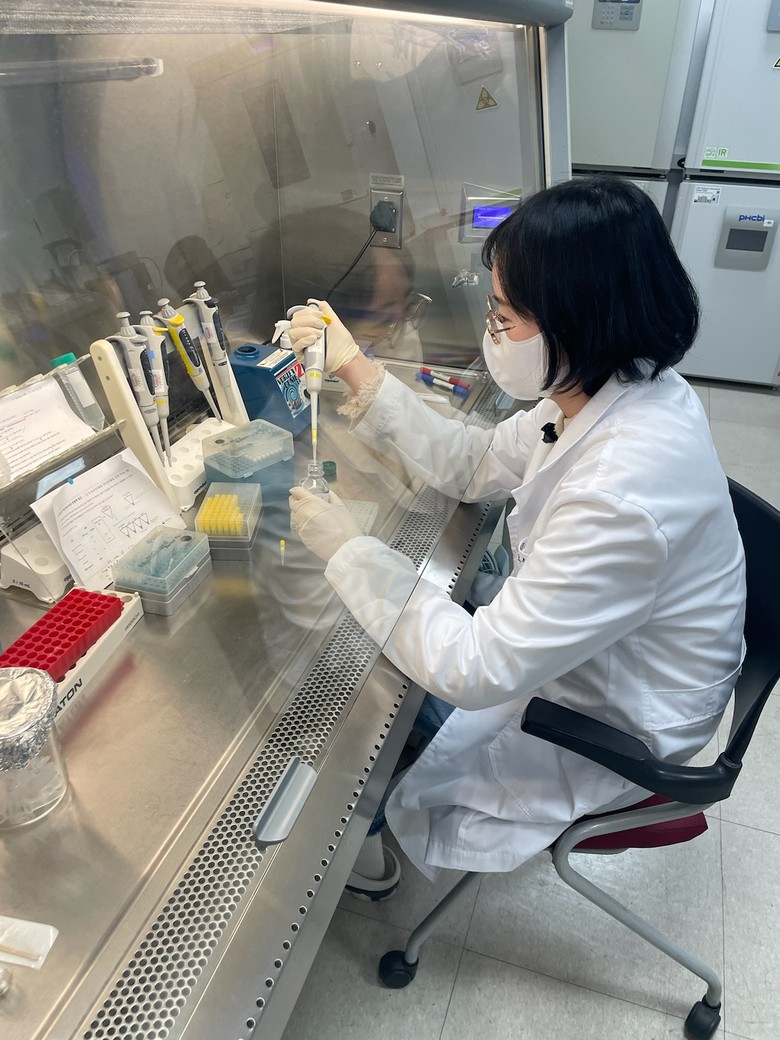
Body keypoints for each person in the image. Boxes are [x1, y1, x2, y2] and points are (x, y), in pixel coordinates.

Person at [286, 175, 746, 897]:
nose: (492, 332)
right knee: (405, 627)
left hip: (613, 725)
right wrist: (354, 367)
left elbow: (475, 669)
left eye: (503, 317)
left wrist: (350, 552)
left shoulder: (624, 491)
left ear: (575, 319)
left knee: (368, 687)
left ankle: (355, 844)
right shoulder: (613, 383)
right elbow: (475, 463)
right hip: (613, 654)